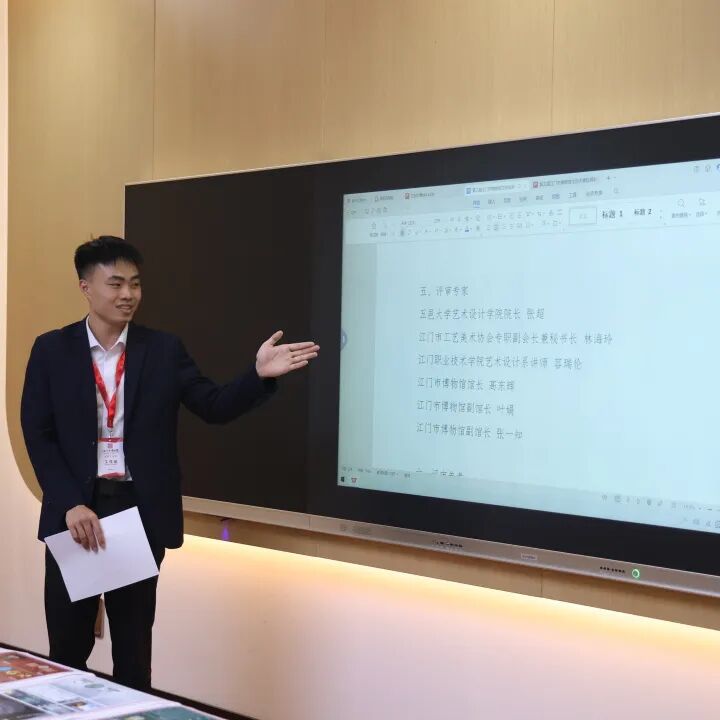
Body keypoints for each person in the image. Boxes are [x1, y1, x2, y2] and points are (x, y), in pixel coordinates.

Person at [20, 235, 319, 690]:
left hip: (137, 514)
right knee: (66, 651)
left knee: (133, 654)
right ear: (85, 287)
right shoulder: (51, 350)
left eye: (135, 284)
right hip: (77, 514)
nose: (128, 294)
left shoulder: (162, 350)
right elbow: (38, 434)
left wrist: (257, 376)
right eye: (115, 284)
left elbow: (213, 406)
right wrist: (67, 503)